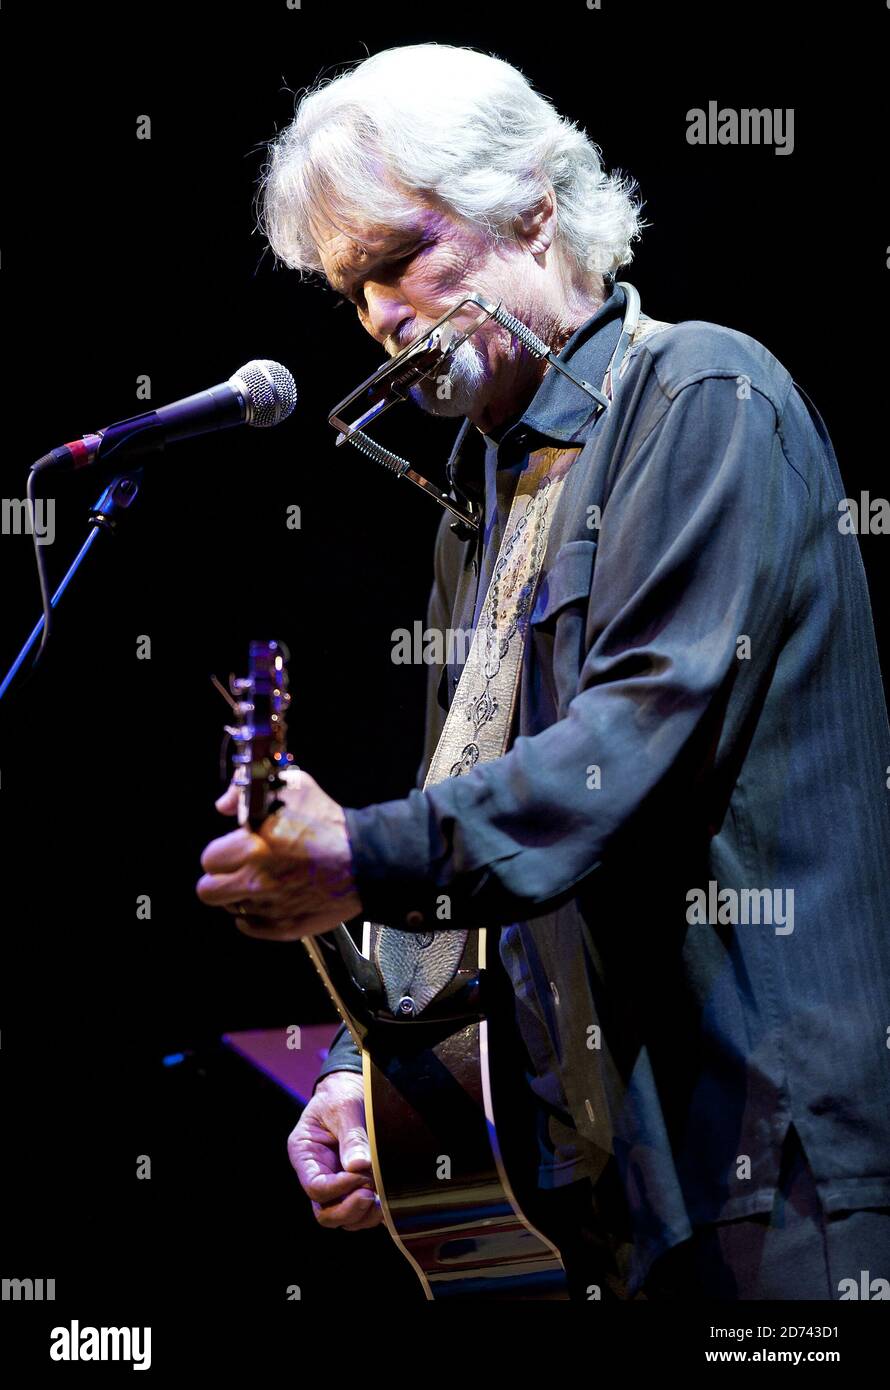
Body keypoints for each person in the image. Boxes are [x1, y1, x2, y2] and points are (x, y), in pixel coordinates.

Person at [196, 43, 890, 1300]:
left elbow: (620, 753)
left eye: (400, 260)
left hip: (764, 1167)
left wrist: (361, 853)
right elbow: (481, 794)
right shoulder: (480, 495)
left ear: (530, 202)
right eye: (351, 290)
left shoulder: (702, 394)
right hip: (594, 1184)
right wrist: (368, 1070)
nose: (381, 318)